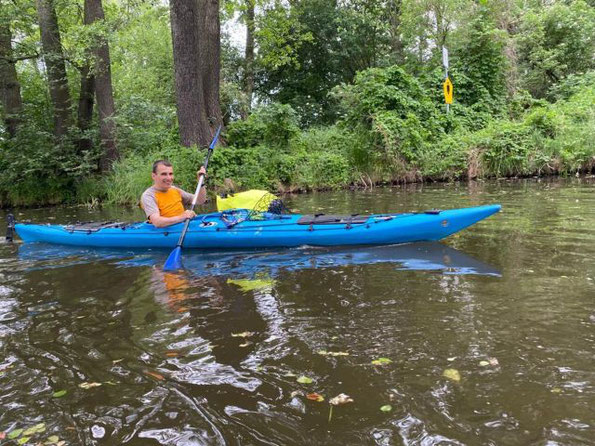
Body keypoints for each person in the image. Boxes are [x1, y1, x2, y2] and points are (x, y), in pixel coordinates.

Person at [140, 160, 207, 227]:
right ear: (153, 176)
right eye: (164, 174)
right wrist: (183, 217)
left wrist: (201, 182)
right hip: (165, 231)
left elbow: (200, 200)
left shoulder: (174, 189)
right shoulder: (148, 195)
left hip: (183, 225)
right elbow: (157, 222)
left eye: (171, 174)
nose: (169, 178)